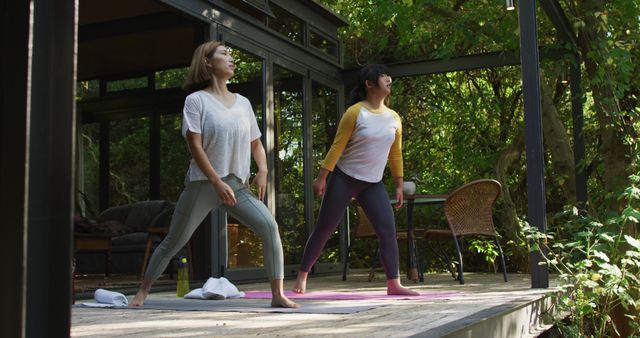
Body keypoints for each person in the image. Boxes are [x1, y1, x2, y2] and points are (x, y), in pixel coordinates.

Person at [130, 41, 298, 308]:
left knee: (269, 226)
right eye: (224, 54)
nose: (231, 58)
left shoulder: (243, 103)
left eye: (231, 54)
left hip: (237, 186)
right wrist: (215, 181)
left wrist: (263, 169)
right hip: (203, 184)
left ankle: (277, 295)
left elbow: (256, 142)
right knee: (174, 241)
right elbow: (194, 145)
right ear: (207, 62)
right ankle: (142, 292)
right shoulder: (196, 101)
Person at [293, 64, 419, 296]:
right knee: (325, 228)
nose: (389, 78)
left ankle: (394, 283)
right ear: (369, 84)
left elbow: (395, 153)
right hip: (344, 178)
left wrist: (399, 184)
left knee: (387, 231)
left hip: (373, 183)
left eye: (388, 74)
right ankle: (302, 276)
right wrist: (322, 177)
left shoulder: (394, 118)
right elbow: (337, 147)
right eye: (383, 76)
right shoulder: (355, 112)